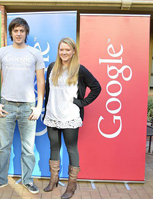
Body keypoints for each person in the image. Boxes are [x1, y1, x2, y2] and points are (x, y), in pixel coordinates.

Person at [0, 17, 45, 194]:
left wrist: (39, 106)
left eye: (22, 31)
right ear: (11, 33)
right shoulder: (2, 52)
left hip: (28, 106)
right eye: (15, 30)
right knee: (4, 146)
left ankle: (27, 181)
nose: (18, 34)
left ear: (26, 33)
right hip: (6, 105)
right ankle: (1, 180)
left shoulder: (35, 53)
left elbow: (41, 81)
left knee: (28, 148)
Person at [43, 37, 101, 199]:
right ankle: (53, 179)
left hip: (70, 116)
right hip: (52, 114)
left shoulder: (79, 69)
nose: (64, 52)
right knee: (54, 147)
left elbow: (96, 87)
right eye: (61, 49)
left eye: (67, 50)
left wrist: (82, 103)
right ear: (58, 51)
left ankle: (71, 185)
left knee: (71, 149)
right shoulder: (52, 67)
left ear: (73, 51)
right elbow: (49, 91)